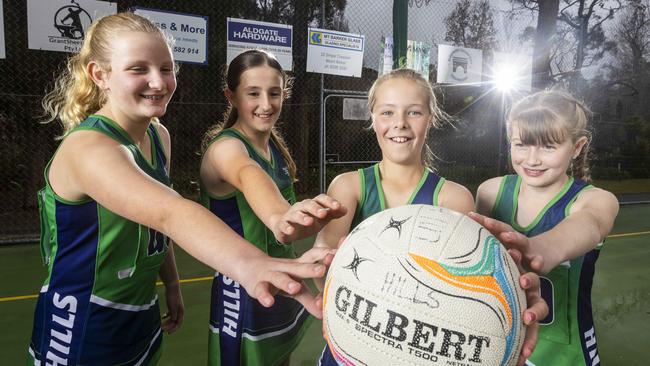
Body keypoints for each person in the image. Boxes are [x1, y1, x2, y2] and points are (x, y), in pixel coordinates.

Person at [29, 13, 343, 366]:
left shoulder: (157, 136)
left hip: (139, 313)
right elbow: (170, 211)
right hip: (80, 323)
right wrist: (253, 264)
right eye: (138, 69)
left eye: (166, 68)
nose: (158, 81)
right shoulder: (89, 148)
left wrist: (172, 283)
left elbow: (153, 222)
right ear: (99, 75)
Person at [314, 69, 547, 366]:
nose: (399, 123)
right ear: (372, 117)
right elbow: (324, 264)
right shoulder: (349, 186)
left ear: (430, 119)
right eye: (387, 112)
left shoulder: (452, 198)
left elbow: (470, 288)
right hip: (356, 338)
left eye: (414, 112)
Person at [199, 49, 344, 366]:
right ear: (232, 96)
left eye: (274, 93)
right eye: (253, 93)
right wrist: (280, 216)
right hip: (245, 294)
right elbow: (248, 174)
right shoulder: (226, 148)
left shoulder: (274, 149)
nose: (266, 104)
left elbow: (284, 236)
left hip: (282, 286)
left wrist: (297, 235)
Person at [471, 90, 619, 366]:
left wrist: (541, 248)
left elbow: (591, 223)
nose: (532, 159)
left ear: (577, 147)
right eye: (521, 144)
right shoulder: (490, 192)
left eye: (548, 146)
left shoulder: (594, 200)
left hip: (564, 351)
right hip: (499, 340)